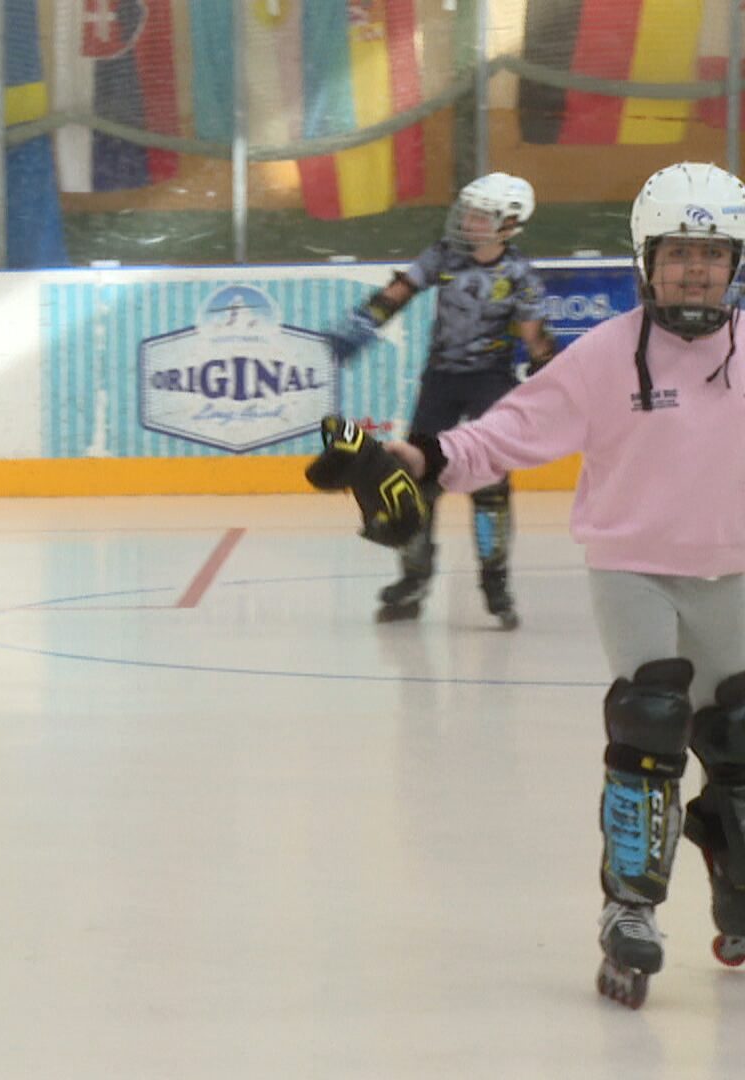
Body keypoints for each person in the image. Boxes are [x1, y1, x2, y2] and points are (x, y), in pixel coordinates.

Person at [309, 161, 745, 1009]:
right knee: (652, 717)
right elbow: (507, 432)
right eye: (678, 254)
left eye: (714, 254)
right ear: (646, 261)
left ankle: (737, 894)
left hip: (733, 571)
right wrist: (421, 457)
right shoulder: (607, 355)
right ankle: (631, 908)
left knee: (739, 740)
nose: (695, 270)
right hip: (635, 567)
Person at [325, 172, 557, 627]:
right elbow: (401, 290)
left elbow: (536, 341)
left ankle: (496, 583)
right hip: (442, 382)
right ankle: (414, 579)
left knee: (490, 486)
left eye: (480, 215)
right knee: (414, 479)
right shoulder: (444, 255)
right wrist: (362, 323)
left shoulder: (520, 276)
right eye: (466, 211)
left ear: (509, 224)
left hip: (490, 384)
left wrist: (555, 379)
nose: (467, 220)